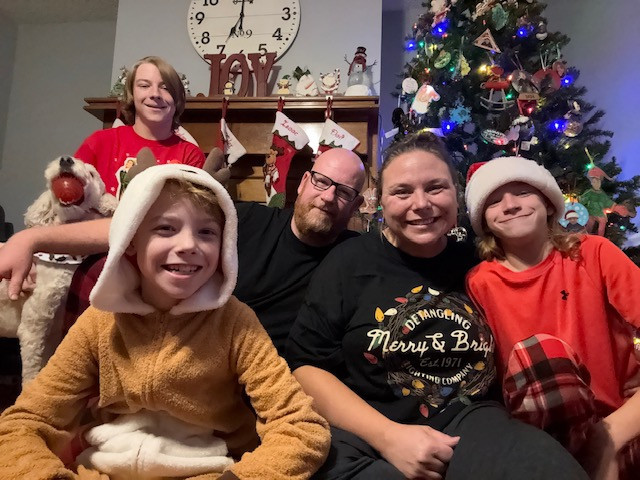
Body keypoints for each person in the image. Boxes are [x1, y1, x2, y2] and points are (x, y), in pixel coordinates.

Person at [286, 132, 587, 479]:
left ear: (456, 196)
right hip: (366, 430)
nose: (421, 204)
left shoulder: (482, 259)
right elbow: (306, 366)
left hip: (472, 422)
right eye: (402, 192)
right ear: (381, 201)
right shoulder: (348, 261)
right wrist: (388, 437)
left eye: (435, 187)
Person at [0, 164, 330, 479]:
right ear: (131, 239)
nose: (188, 245)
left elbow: (301, 428)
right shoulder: (100, 321)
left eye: (206, 232)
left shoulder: (236, 322)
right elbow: (24, 423)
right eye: (165, 228)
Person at [0, 148, 366, 354]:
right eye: (321, 181)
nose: (328, 197)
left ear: (356, 204)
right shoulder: (246, 219)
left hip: (270, 378)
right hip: (193, 355)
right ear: (304, 182)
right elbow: (128, 225)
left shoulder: (357, 256)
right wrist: (31, 239)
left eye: (344, 192)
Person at [464, 156, 640, 480]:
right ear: (483, 220)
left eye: (523, 192)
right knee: (541, 358)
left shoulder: (594, 254)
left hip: (618, 420)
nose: (510, 205)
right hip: (537, 436)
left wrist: (608, 437)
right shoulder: (479, 283)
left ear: (548, 203)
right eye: (494, 201)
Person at [74, 55, 205, 197]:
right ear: (131, 94)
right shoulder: (99, 142)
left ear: (177, 99)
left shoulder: (191, 156)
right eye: (144, 86)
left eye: (165, 88)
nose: (155, 94)